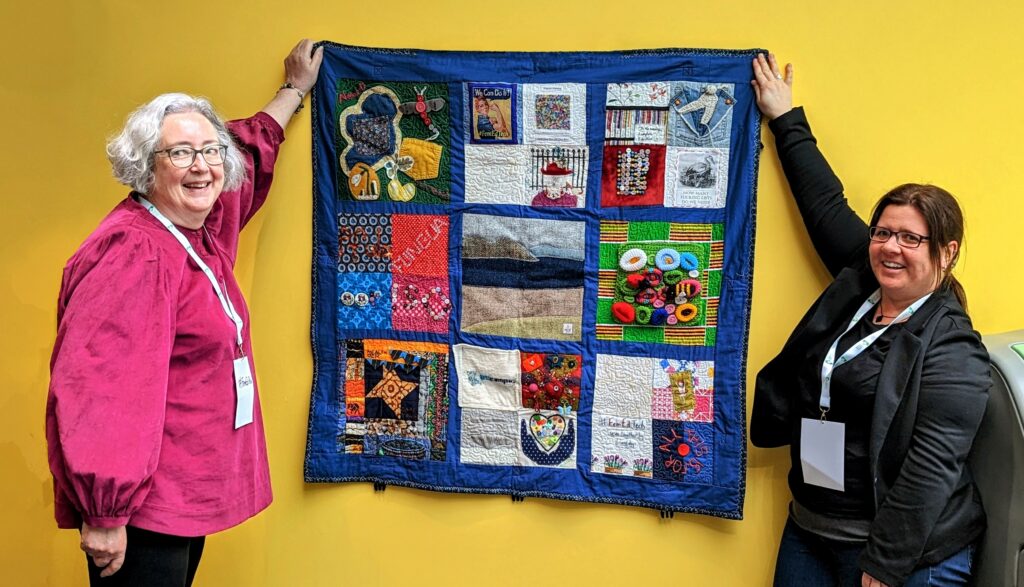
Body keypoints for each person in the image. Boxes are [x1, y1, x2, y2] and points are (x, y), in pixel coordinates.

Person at [45, 39, 323, 585]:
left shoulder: (199, 229)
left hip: (180, 494)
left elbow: (246, 153)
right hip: (140, 507)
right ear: (145, 166)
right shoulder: (134, 252)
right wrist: (104, 511)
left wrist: (292, 91)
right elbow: (100, 388)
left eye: (208, 150)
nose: (201, 167)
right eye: (179, 153)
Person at [749, 53, 991, 587]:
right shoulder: (863, 279)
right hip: (812, 530)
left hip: (901, 555)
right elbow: (825, 206)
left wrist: (884, 566)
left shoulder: (953, 347)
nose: (891, 247)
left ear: (946, 253)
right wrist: (785, 118)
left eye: (911, 238)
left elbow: (932, 468)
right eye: (884, 232)